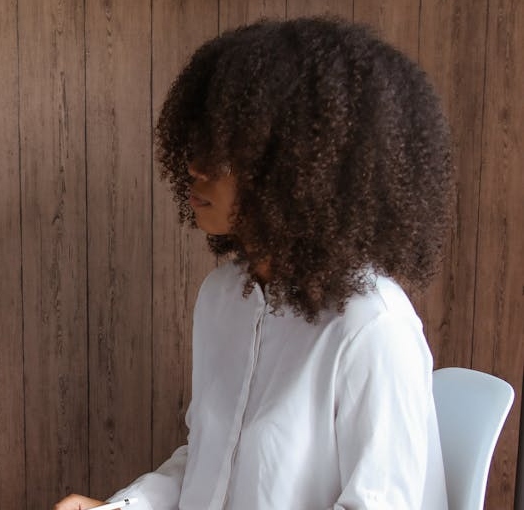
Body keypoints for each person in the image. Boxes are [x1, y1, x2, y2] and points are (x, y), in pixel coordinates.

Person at [56, 17, 453, 510]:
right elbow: (209, 462)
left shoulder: (372, 329)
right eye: (201, 143)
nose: (196, 167)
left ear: (300, 171)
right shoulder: (224, 298)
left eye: (228, 154)